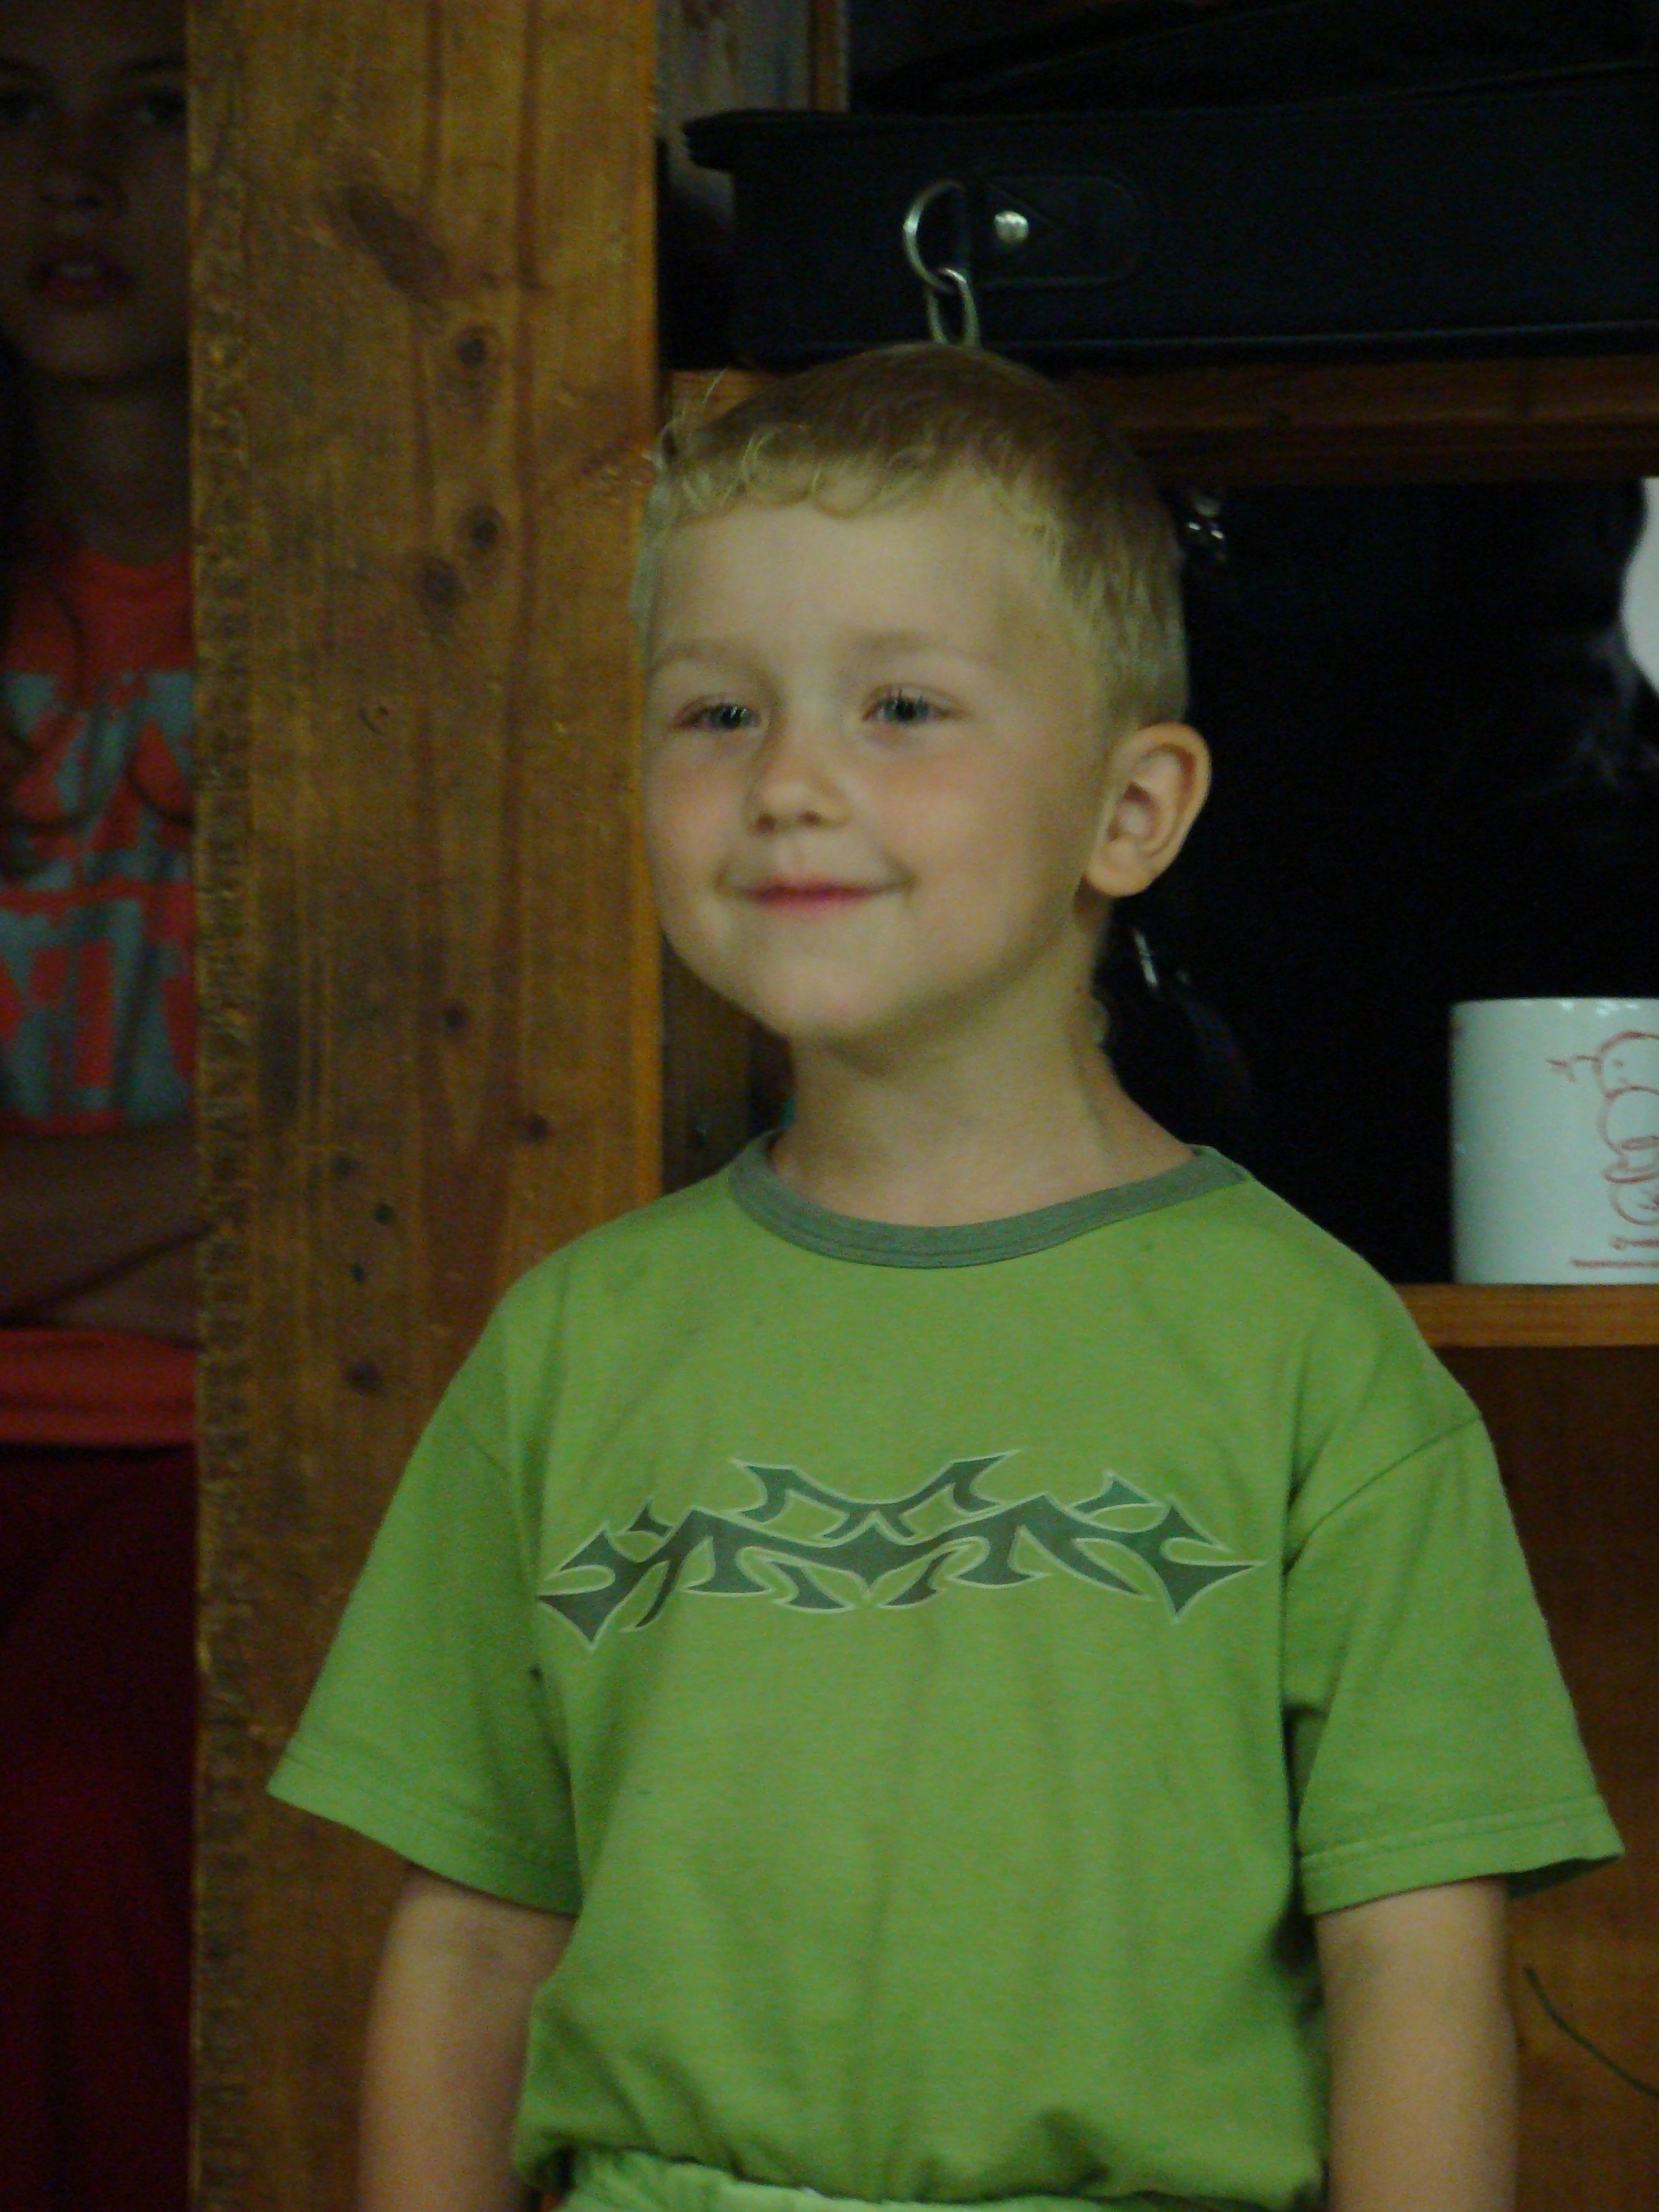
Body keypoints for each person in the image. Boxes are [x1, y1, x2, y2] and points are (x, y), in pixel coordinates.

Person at [270, 346, 1620, 2212]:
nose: (788, 784)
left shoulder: (1316, 1354)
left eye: (901, 706)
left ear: (1131, 810)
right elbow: (474, 1938)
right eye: (716, 712)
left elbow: (1416, 1965)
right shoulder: (572, 1344)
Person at [0, 3, 196, 2209]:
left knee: (70, 1810)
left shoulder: (394, 596)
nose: (72, 176)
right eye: (12, 110)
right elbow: (304, 1170)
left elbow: (401, 1184)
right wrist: (226, 1184)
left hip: (229, 1447)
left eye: (154, 109)